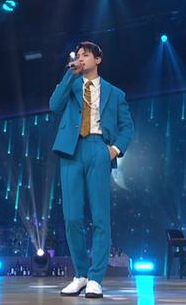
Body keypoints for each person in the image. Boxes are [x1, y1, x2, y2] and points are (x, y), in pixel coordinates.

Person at [50, 42, 134, 299]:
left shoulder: (115, 93)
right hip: (71, 149)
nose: (81, 58)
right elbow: (54, 105)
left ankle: (96, 278)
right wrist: (70, 75)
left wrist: (114, 149)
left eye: (86, 55)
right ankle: (81, 275)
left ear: (98, 59)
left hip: (99, 148)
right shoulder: (71, 84)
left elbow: (127, 127)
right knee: (72, 217)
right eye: (79, 55)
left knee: (100, 217)